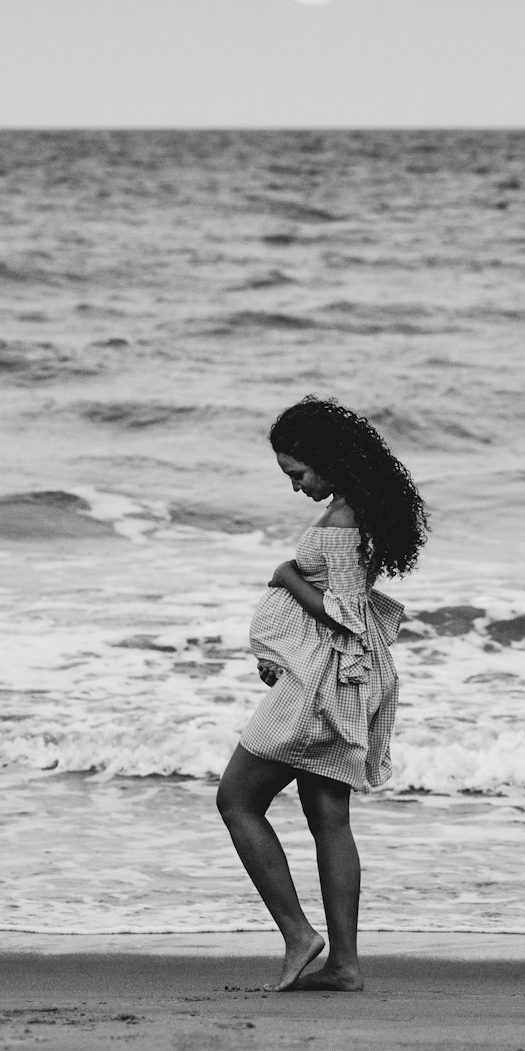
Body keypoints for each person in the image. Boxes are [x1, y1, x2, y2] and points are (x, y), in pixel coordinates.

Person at [216, 396, 429, 991]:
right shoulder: (352, 510)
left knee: (236, 800)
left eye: (299, 474)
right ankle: (344, 965)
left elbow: (346, 616)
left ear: (328, 460)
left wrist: (285, 574)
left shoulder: (342, 522)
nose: (296, 487)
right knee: (329, 817)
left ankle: (298, 935)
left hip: (327, 681)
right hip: (338, 675)